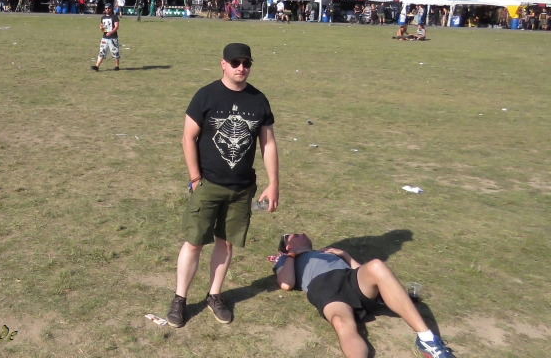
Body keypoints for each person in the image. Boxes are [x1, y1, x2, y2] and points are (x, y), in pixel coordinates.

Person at [167, 42, 278, 328]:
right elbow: (188, 137)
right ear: (223, 64)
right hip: (208, 183)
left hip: (241, 187)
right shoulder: (206, 95)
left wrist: (273, 183)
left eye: (246, 63)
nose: (241, 68)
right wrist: (195, 178)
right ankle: (180, 298)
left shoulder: (259, 100)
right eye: (235, 62)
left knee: (226, 243)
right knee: (194, 242)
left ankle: (214, 295)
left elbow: (268, 144)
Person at [275, 232, 457, 358]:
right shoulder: (286, 258)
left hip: (350, 278)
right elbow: (286, 283)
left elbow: (362, 271)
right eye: (295, 235)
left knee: (376, 265)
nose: (303, 233)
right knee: (341, 322)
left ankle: (427, 339)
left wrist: (345, 255)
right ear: (287, 245)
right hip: (323, 286)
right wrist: (291, 255)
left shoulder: (327, 252)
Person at [91, 3, 120, 72]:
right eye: (106, 8)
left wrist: (111, 32)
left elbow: (116, 27)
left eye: (109, 8)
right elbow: (102, 28)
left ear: (111, 9)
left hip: (113, 38)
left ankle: (117, 66)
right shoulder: (103, 17)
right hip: (104, 38)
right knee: (101, 52)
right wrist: (101, 28)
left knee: (115, 52)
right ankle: (97, 66)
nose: (107, 9)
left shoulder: (114, 17)